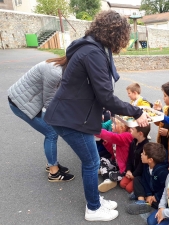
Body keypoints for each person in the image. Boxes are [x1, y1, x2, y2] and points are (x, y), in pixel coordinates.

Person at [44, 11, 149, 222]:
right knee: (91, 163)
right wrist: (137, 111)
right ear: (117, 34)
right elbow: (105, 96)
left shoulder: (88, 47)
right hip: (71, 119)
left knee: (90, 161)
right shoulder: (93, 53)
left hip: (71, 115)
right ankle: (93, 208)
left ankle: (96, 201)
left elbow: (87, 88)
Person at [7, 56, 75, 182]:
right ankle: (54, 173)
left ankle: (51, 163)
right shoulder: (55, 72)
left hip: (27, 100)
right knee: (51, 132)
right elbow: (49, 103)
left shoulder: (59, 66)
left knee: (51, 131)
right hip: (21, 103)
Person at [126, 142, 169, 215]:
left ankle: (142, 196)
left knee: (162, 203)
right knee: (137, 179)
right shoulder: (146, 165)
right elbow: (144, 179)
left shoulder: (162, 172)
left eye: (143, 153)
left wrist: (156, 196)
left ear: (150, 160)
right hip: (150, 189)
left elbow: (166, 188)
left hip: (159, 193)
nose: (141, 154)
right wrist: (149, 194)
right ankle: (141, 201)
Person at [96, 119, 133, 192]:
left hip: (125, 168)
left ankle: (109, 175)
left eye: (115, 124)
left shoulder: (126, 136)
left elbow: (109, 136)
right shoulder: (118, 135)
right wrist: (107, 143)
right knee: (102, 160)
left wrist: (95, 130)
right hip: (117, 163)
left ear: (122, 127)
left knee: (112, 175)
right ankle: (107, 180)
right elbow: (113, 152)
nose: (112, 125)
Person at [120, 125, 151, 194]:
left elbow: (142, 165)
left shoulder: (146, 147)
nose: (130, 130)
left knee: (128, 188)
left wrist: (134, 175)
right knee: (122, 184)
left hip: (140, 174)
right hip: (132, 170)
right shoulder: (133, 142)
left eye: (133, 129)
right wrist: (128, 170)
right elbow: (130, 157)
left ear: (140, 133)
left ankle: (140, 188)